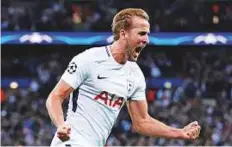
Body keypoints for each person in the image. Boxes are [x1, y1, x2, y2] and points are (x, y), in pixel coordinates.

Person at [46, 8, 201, 146]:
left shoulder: (135, 75)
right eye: (141, 33)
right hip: (71, 142)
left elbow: (142, 122)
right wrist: (60, 125)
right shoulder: (89, 59)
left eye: (147, 34)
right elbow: (55, 96)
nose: (146, 40)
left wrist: (179, 133)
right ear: (123, 33)